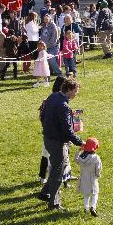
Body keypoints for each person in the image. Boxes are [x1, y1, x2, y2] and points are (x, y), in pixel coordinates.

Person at [40, 78, 83, 211]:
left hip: (47, 137)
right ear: (69, 90)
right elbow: (68, 130)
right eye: (75, 91)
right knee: (57, 173)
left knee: (58, 167)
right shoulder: (63, 106)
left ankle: (44, 192)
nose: (76, 94)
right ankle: (54, 203)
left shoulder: (53, 97)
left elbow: (42, 115)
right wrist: (81, 142)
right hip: (56, 142)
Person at [76, 137, 103, 217]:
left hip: (83, 177)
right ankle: (93, 207)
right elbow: (98, 168)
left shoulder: (81, 157)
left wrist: (78, 151)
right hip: (92, 178)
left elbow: (76, 160)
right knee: (95, 193)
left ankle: (85, 208)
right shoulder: (96, 158)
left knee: (86, 194)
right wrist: (98, 174)